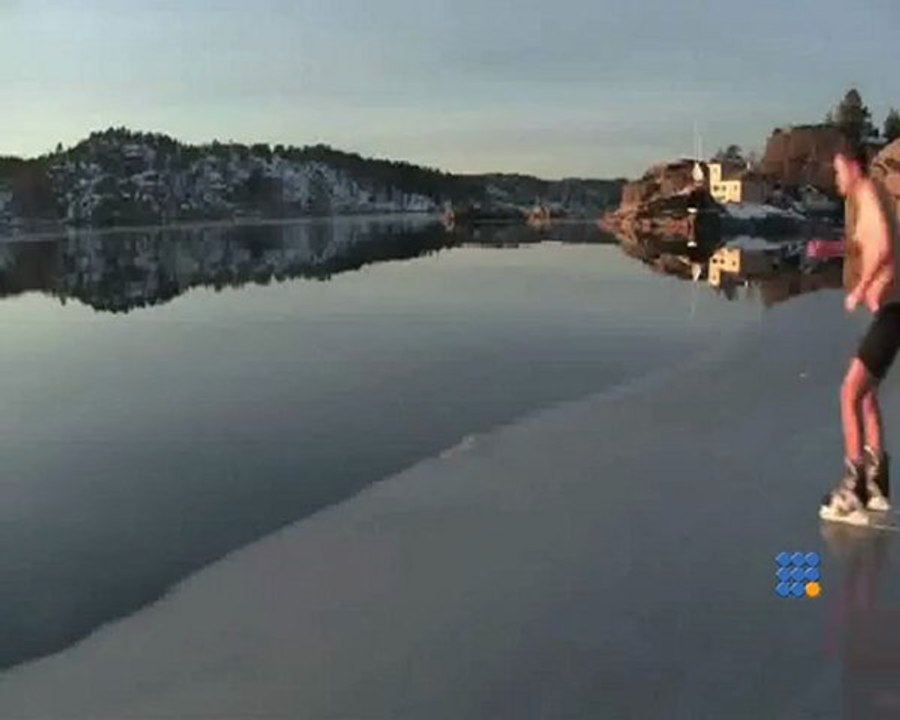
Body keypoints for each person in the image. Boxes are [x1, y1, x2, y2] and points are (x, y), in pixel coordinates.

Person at [820, 142, 898, 524]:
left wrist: (861, 287)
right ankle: (878, 485)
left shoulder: (868, 194)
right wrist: (836, 249)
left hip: (893, 312)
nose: (836, 178)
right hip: (890, 311)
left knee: (849, 393)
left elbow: (882, 246)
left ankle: (853, 491)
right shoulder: (874, 196)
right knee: (866, 396)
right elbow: (869, 242)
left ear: (852, 166)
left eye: (838, 170)